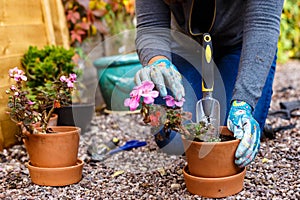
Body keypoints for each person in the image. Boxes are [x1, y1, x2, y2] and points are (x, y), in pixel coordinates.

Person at [133, 0, 284, 168]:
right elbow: (151, 26)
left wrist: (244, 101)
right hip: (187, 47)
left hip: (241, 46)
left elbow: (263, 23)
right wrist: (158, 62)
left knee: (233, 136)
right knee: (175, 140)